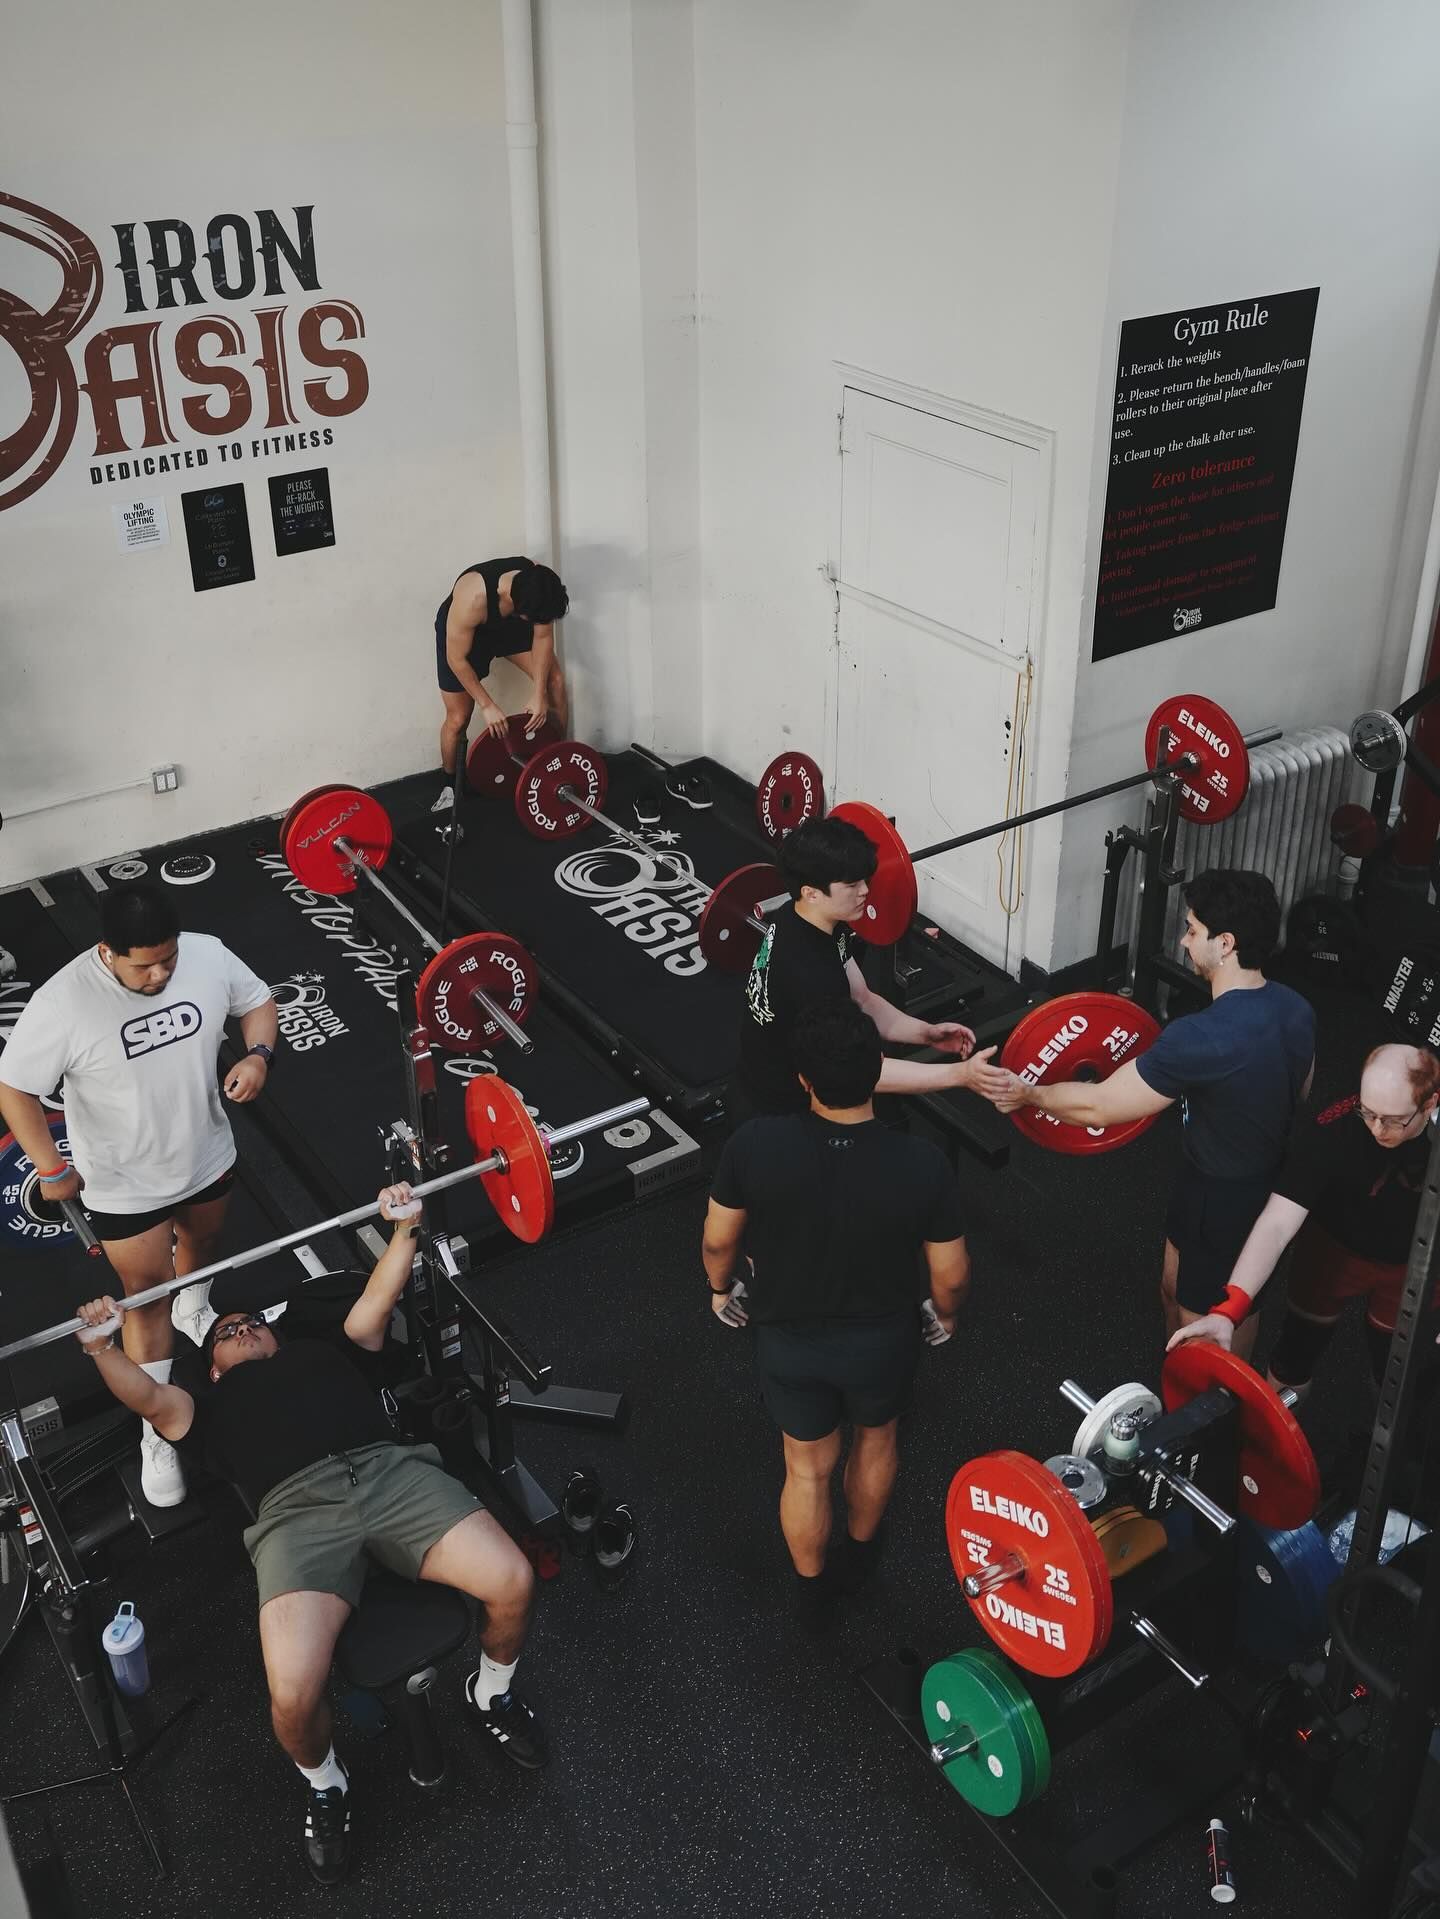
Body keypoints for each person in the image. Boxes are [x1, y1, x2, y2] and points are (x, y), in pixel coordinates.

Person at [72, 1183, 543, 1887]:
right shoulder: (204, 1407)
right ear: (212, 1367)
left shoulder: (330, 1349)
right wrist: (102, 1348)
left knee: (513, 1580)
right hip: (295, 1518)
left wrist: (405, 1227)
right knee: (291, 1695)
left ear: (276, 1332)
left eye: (249, 1323)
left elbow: (378, 1299)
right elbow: (145, 1395)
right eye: (224, 1332)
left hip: (392, 1476)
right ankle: (327, 1784)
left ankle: (491, 1693)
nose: (238, 1328)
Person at [0, 883, 277, 1506]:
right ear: (107, 951)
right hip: (125, 1186)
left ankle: (194, 1306)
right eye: (142, 965)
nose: (159, 975)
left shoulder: (205, 955)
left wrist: (258, 1056)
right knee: (144, 1302)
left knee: (203, 1244)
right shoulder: (64, 1002)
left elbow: (259, 1001)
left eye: (167, 960)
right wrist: (49, 1166)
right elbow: (14, 1088)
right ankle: (158, 1433)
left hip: (206, 1154)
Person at [704, 999, 969, 1628]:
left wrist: (721, 1289)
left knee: (805, 1465)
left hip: (791, 1341)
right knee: (876, 1442)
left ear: (803, 1080)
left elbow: (719, 1243)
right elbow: (951, 1275)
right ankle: (861, 1562)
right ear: (878, 1068)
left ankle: (813, 1593)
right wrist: (946, 1313)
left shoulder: (755, 1145)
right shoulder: (921, 1162)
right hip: (882, 1340)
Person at [973, 868, 1315, 1348]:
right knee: (1173, 1290)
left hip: (1225, 1199)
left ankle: (1209, 1415)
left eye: (1193, 931)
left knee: (1211, 1330)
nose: (1182, 941)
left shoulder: (1197, 1037)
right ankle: (1182, 1387)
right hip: (1226, 1177)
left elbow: (1097, 1106)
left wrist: (1030, 1093)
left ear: (1227, 944)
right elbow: (1300, 1092)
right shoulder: (1297, 1008)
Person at [1168, 1043, 1438, 1398]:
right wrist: (1229, 1310)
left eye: (1392, 1120)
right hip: (1334, 1250)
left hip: (1416, 1263)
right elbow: (1277, 1222)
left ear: (1430, 1104)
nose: (1376, 1128)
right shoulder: (1332, 1127)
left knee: (1397, 1374)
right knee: (1295, 1354)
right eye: (1368, 1112)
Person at [735, 814, 993, 1120]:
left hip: (781, 1072)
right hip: (782, 1110)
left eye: (864, 881)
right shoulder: (812, 977)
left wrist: (927, 1033)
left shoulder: (804, 916)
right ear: (811, 892)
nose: (865, 892)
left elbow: (862, 998)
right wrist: (960, 1075)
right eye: (852, 885)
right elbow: (859, 1070)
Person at [433, 556, 570, 810]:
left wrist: (539, 695)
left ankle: (557, 759)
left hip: (509, 627)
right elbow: (457, 659)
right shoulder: (472, 598)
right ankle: (450, 786)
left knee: (556, 681)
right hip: (465, 639)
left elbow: (542, 639)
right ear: (519, 608)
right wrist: (487, 705)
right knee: (458, 718)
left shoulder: (540, 588)